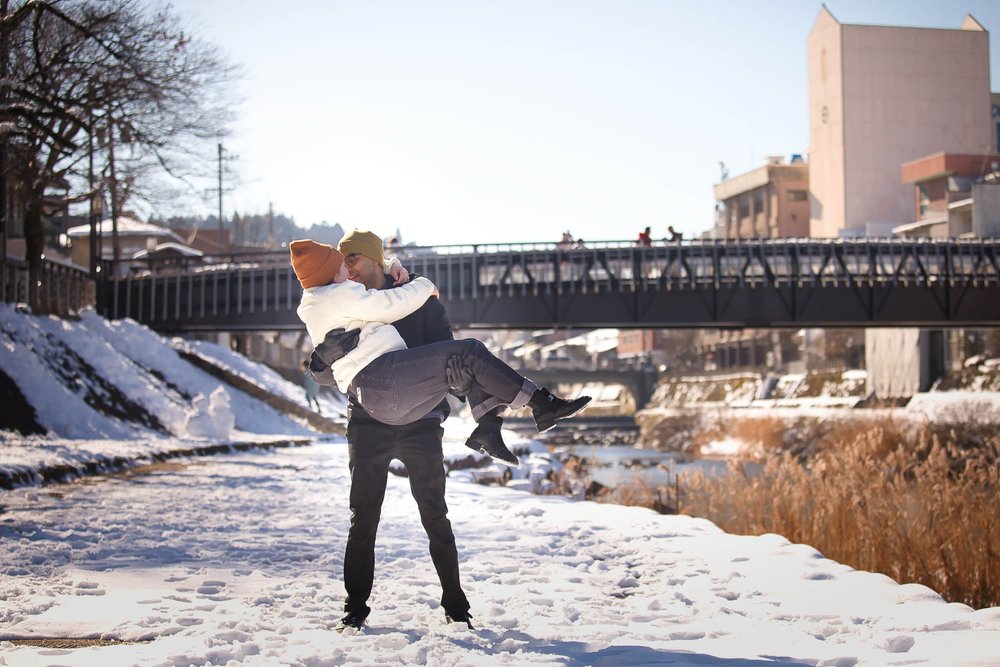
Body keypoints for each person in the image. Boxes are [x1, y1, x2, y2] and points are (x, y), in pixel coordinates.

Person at [292, 234, 590, 628]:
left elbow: (450, 357)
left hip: (421, 421)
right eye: (342, 261)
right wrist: (320, 361)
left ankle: (456, 607)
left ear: (377, 262)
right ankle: (354, 609)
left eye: (355, 260)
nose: (348, 268)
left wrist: (452, 381)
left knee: (436, 516)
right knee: (362, 518)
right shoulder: (344, 297)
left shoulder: (415, 303)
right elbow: (330, 369)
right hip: (367, 422)